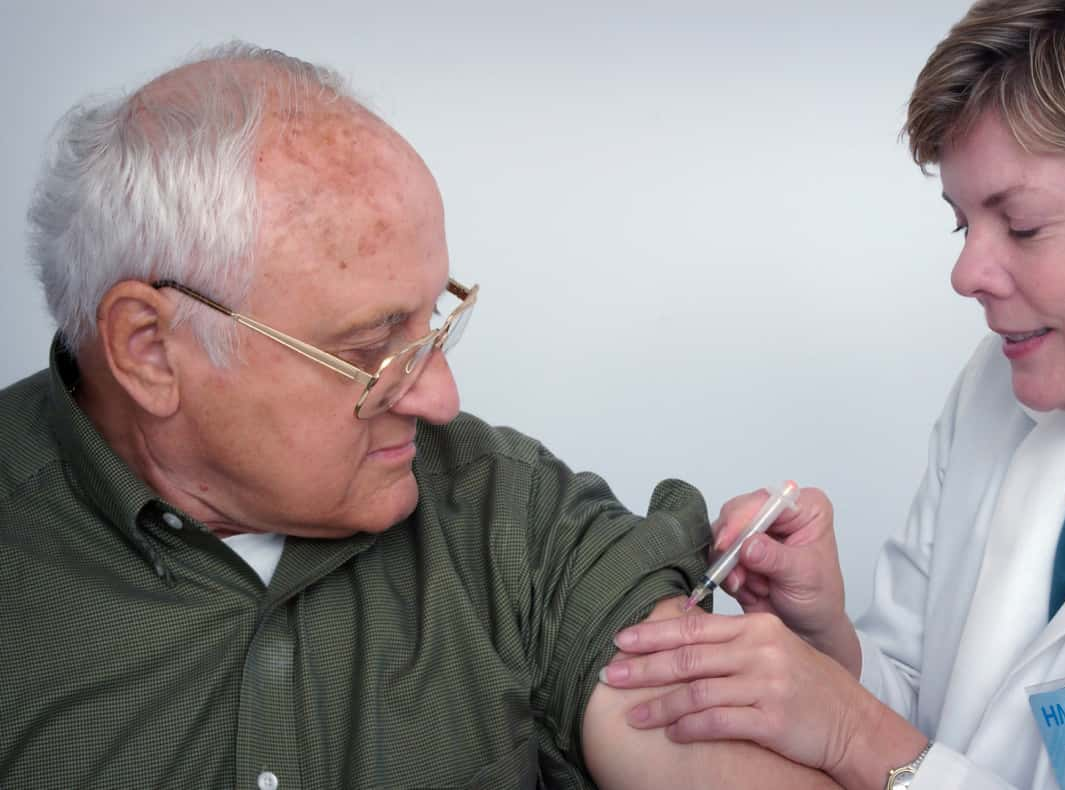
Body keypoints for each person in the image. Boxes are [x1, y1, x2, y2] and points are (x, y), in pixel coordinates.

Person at [0, 43, 838, 789]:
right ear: (149, 349)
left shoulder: (504, 514)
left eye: (434, 321)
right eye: (370, 349)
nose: (441, 399)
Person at [599, 1, 1065, 787]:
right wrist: (826, 646)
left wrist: (849, 729)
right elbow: (934, 727)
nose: (966, 276)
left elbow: (887, 749)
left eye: (1021, 226)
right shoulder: (1009, 382)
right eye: (963, 225)